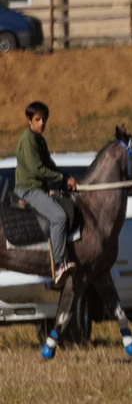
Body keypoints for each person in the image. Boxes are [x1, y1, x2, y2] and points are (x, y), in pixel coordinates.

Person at [14, 101, 73, 284]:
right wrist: (62, 179)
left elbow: (49, 164)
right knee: (59, 217)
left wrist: (65, 176)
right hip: (29, 190)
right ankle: (59, 265)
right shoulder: (28, 139)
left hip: (39, 188)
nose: (42, 123)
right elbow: (38, 169)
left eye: (44, 119)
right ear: (29, 121)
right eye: (38, 119)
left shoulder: (40, 140)